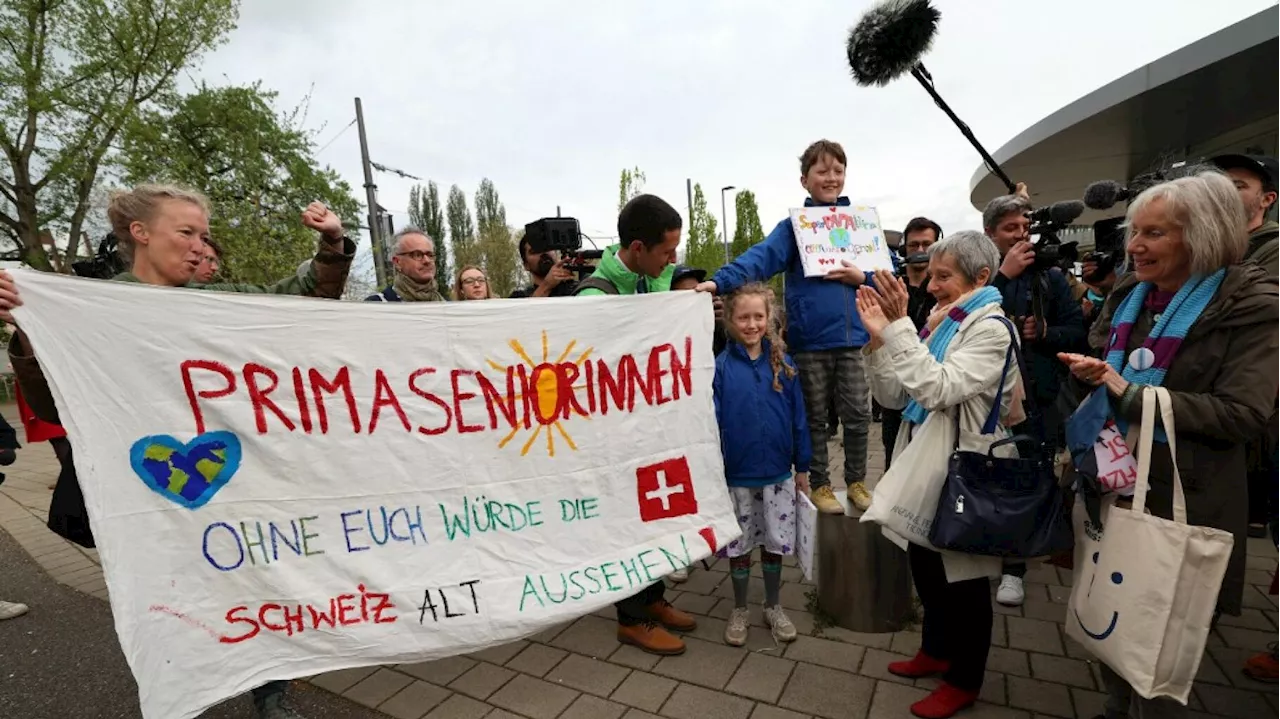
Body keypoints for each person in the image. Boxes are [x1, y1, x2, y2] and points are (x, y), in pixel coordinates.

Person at [0, 184, 355, 719]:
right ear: (140, 233)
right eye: (186, 232)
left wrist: (331, 245)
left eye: (204, 235)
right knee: (174, 593)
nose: (198, 246)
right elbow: (53, 406)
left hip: (227, 474)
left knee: (256, 575)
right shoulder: (90, 309)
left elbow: (300, 299)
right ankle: (185, 680)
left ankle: (270, 687)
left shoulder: (219, 301)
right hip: (150, 486)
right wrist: (30, 331)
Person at [1057, 172, 1280, 719]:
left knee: (1159, 637)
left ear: (1202, 235)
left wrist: (1126, 393)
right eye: (1135, 231)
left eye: (1155, 234)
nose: (1134, 246)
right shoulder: (1130, 298)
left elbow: (1244, 414)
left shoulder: (1252, 305)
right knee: (1109, 612)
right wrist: (1088, 380)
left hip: (1187, 498)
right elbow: (1106, 373)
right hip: (1114, 484)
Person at [859, 230, 1018, 719]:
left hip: (967, 469)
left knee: (965, 579)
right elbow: (893, 397)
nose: (933, 286)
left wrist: (900, 328)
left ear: (982, 278)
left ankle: (964, 679)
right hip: (928, 461)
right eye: (932, 275)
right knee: (926, 563)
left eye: (944, 277)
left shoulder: (991, 329)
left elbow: (937, 388)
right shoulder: (942, 323)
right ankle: (936, 649)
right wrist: (878, 341)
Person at [697, 140, 876, 515]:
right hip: (810, 341)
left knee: (859, 413)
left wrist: (865, 276)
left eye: (838, 170)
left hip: (852, 339)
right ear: (804, 180)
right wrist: (720, 281)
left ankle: (857, 480)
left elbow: (886, 271)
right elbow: (761, 257)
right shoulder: (796, 227)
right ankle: (823, 483)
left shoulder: (860, 224)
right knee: (815, 417)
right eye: (822, 171)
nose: (831, 178)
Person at [573, 194, 696, 657]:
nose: (673, 260)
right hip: (613, 439)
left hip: (649, 431)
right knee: (626, 524)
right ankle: (632, 619)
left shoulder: (649, 280)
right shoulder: (593, 297)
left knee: (652, 518)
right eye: (667, 252)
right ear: (639, 246)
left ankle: (653, 597)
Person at [983, 192, 1086, 607]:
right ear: (991, 233)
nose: (1020, 236)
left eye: (1024, 227)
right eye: (1010, 229)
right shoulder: (984, 272)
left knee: (1027, 478)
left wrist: (1044, 334)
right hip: (988, 395)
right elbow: (963, 312)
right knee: (988, 475)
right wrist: (1003, 277)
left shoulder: (1052, 277)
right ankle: (983, 542)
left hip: (1037, 395)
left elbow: (1078, 333)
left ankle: (1015, 569)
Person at [713, 283, 810, 647]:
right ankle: (739, 608)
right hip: (736, 476)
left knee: (773, 542)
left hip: (778, 475)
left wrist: (803, 466)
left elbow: (799, 418)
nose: (751, 324)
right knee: (738, 547)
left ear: (769, 319)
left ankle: (772, 605)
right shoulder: (720, 368)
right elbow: (711, 423)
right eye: (743, 317)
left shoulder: (784, 364)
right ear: (731, 321)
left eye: (759, 316)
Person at [1210, 154, 1280, 539]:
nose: (1226, 192)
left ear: (1267, 199)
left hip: (1253, 399)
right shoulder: (1211, 243)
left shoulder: (1271, 248)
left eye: (1238, 186)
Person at [881, 217, 941, 468]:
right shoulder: (891, 285)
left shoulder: (942, 287)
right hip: (896, 380)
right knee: (893, 453)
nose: (920, 251)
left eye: (927, 244)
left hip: (931, 378)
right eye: (914, 245)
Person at [366, 227, 445, 302]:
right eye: (417, 255)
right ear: (397, 262)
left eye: (430, 255)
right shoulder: (377, 306)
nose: (427, 260)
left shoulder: (447, 306)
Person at [509, 234, 578, 298]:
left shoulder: (578, 289)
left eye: (547, 248)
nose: (543, 253)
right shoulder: (518, 298)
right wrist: (546, 286)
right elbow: (525, 310)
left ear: (556, 255)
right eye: (534, 251)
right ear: (526, 265)